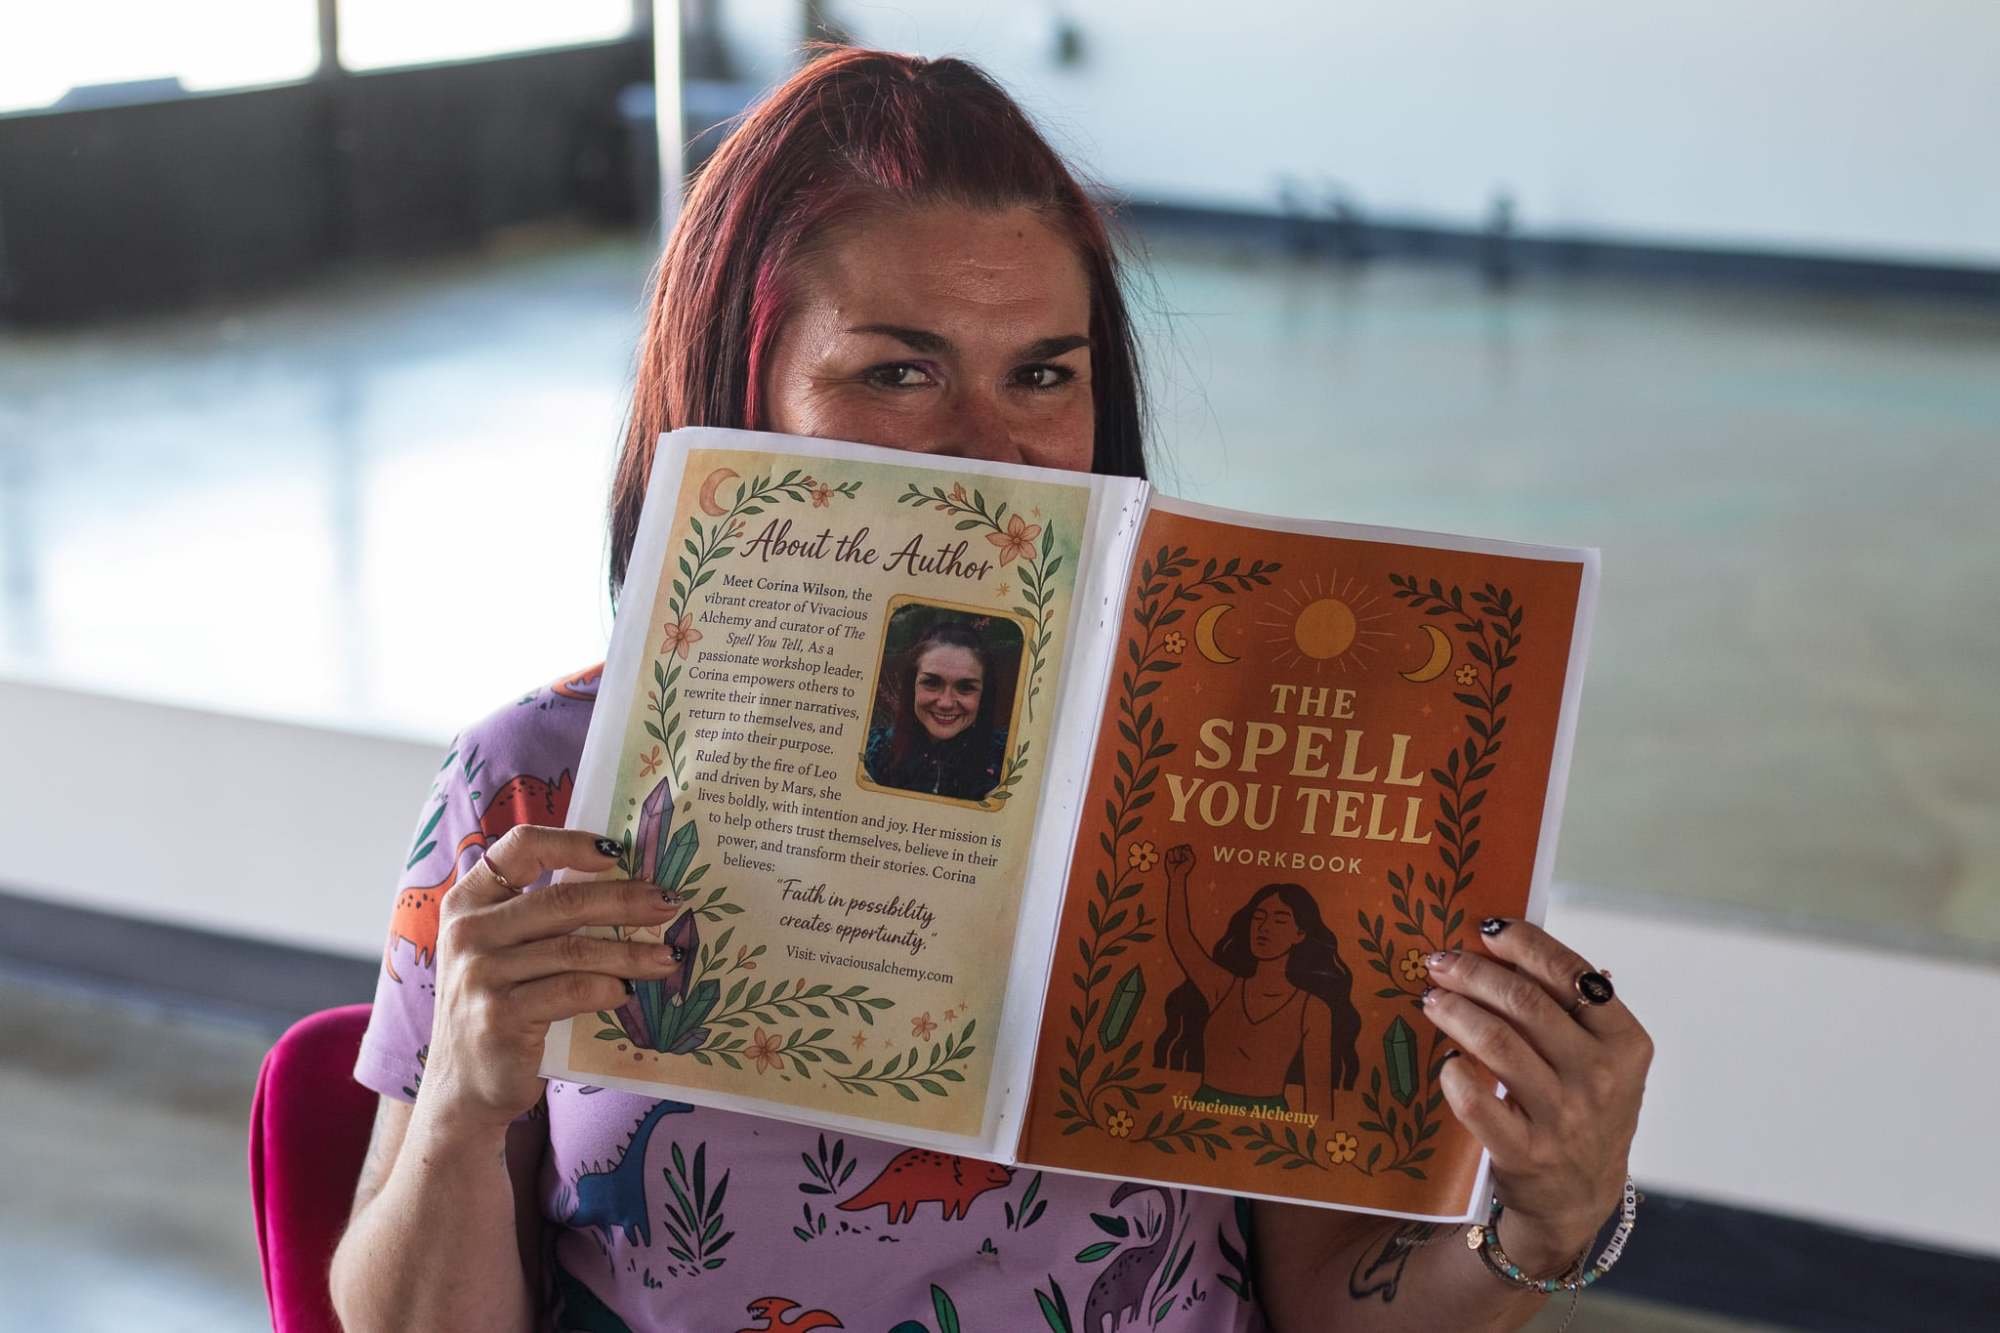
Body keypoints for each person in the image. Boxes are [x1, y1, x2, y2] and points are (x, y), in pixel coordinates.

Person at [330, 46, 1654, 1333]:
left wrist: (1543, 1225)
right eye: (896, 371)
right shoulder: (539, 787)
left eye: (1043, 373)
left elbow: (1332, 1305)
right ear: (742, 390)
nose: (990, 448)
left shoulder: (1202, 759)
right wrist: (458, 1101)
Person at [1155, 847, 1361, 1124]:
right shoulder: (1223, 988)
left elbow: (1319, 1104)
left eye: (1279, 920)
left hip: (1270, 1128)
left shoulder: (1312, 1010)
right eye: (1258, 917)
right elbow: (1181, 940)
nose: (1264, 927)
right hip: (1200, 1118)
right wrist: (1177, 879)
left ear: (1300, 934)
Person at [863, 618, 1010, 800]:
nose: (946, 703)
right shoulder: (872, 752)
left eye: (965, 687)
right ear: (912, 687)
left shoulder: (1009, 762)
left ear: (984, 695)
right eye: (931, 683)